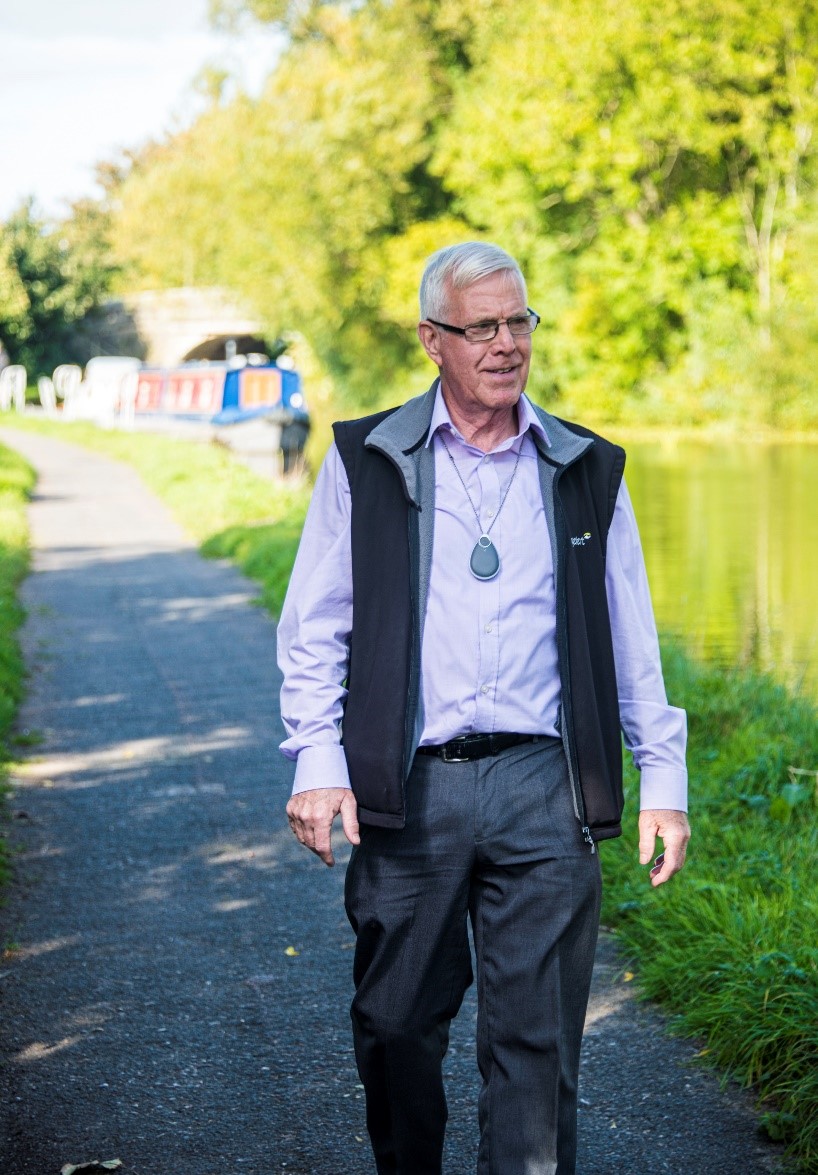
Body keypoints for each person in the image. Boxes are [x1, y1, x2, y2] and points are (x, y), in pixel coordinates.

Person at [277, 241, 690, 1175]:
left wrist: (663, 777)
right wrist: (318, 758)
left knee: (536, 1048)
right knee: (394, 1027)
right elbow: (317, 625)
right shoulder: (364, 458)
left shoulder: (587, 466)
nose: (507, 345)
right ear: (433, 340)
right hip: (410, 785)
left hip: (544, 789)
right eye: (483, 327)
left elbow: (633, 634)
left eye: (520, 322)